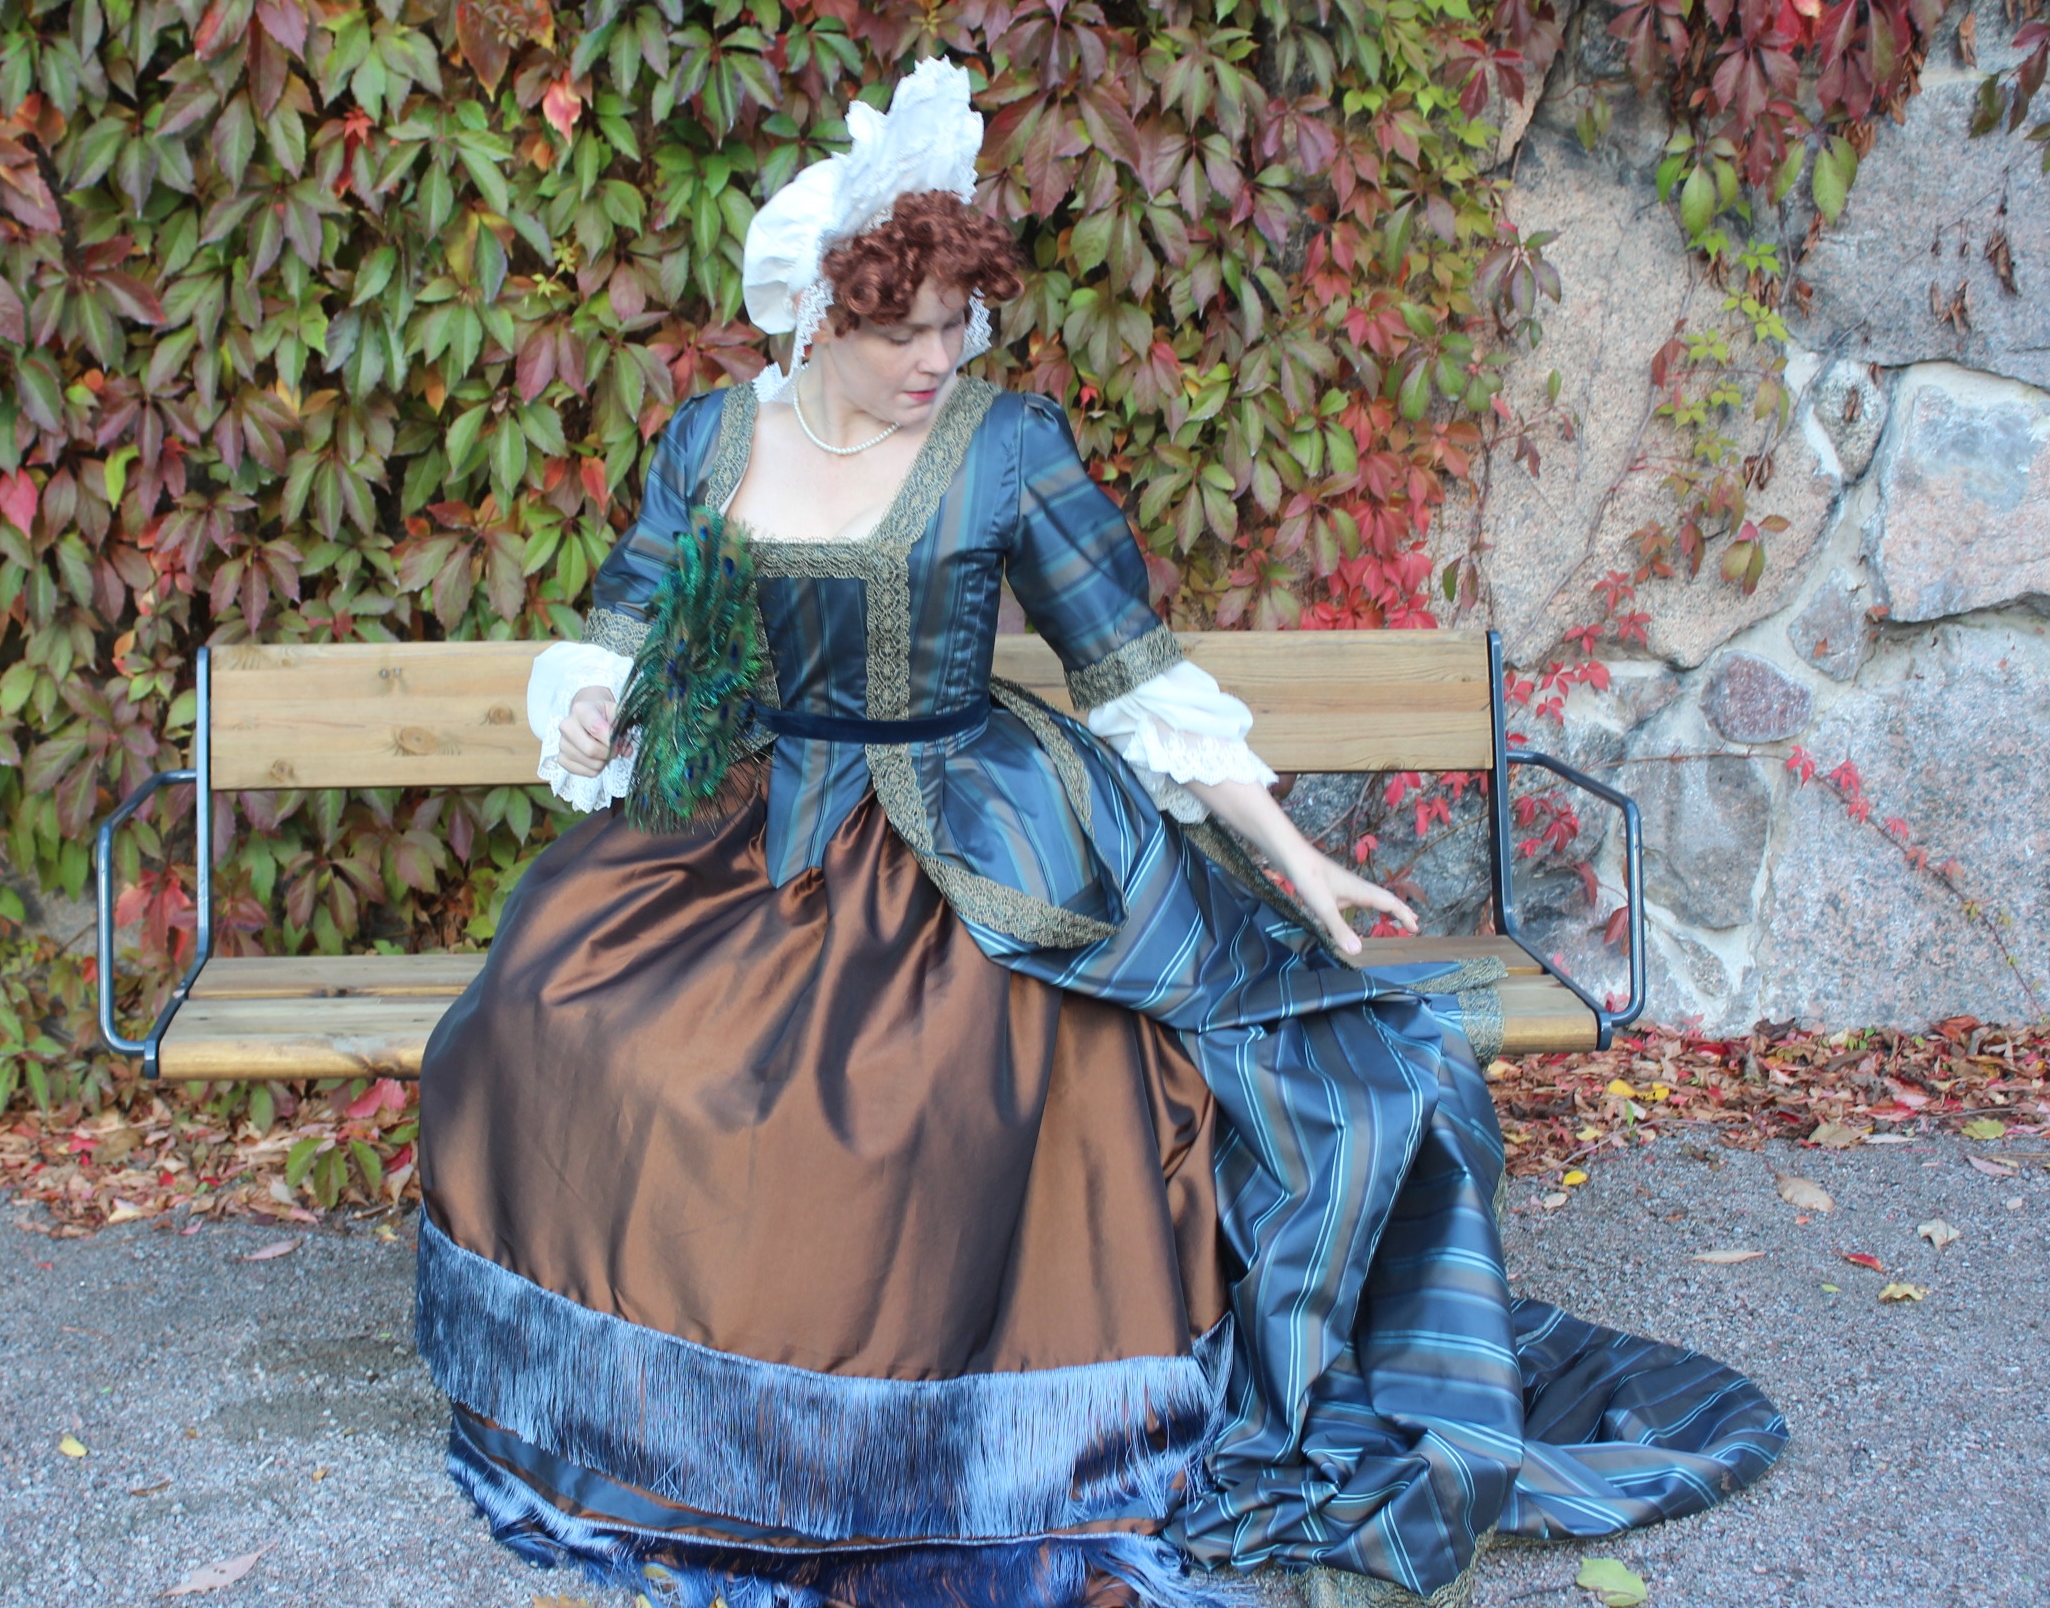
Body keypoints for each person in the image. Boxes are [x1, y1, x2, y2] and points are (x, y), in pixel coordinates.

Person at [415, 57, 1784, 1608]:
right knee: (564, 1014)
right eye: (901, 330)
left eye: (956, 322)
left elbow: (1131, 670)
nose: (939, 356)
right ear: (820, 314)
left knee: (944, 1090)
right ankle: (667, 1420)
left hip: (980, 838)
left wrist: (1294, 857)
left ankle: (964, 1431)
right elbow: (634, 616)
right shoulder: (714, 443)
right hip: (755, 829)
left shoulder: (1006, 448)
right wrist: (595, 706)